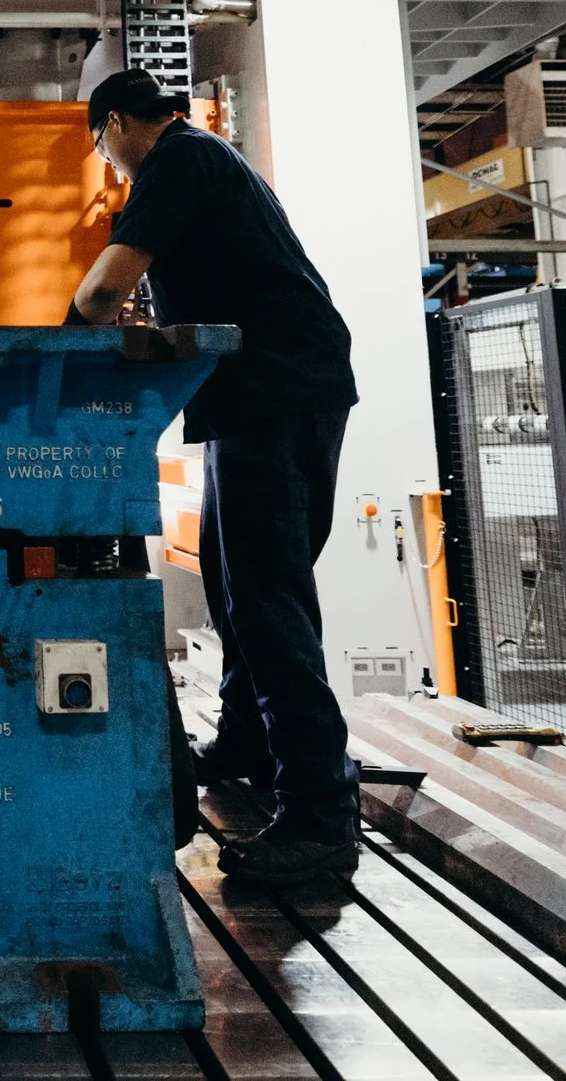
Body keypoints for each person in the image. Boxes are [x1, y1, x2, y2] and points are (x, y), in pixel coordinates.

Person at [67, 67, 362, 887]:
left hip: (276, 395)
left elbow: (104, 288)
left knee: (267, 598)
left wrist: (56, 357)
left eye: (103, 146)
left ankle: (322, 815)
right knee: (237, 585)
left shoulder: (178, 160)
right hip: (264, 396)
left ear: (119, 122)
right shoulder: (207, 159)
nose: (111, 162)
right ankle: (247, 745)